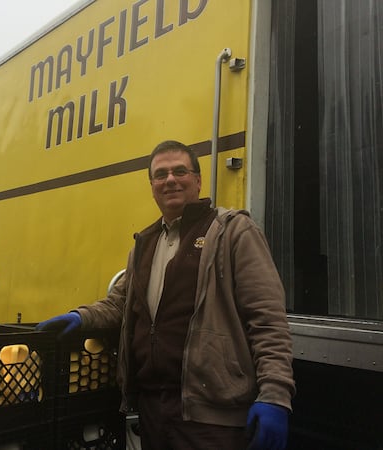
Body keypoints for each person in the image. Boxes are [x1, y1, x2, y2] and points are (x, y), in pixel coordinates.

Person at [37, 140, 295, 450]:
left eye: (180, 171)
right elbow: (120, 303)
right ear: (152, 186)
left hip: (210, 418)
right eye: (160, 175)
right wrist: (81, 317)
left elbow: (267, 318)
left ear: (197, 180)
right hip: (153, 411)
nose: (170, 179)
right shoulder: (145, 244)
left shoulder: (233, 232)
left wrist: (275, 394)